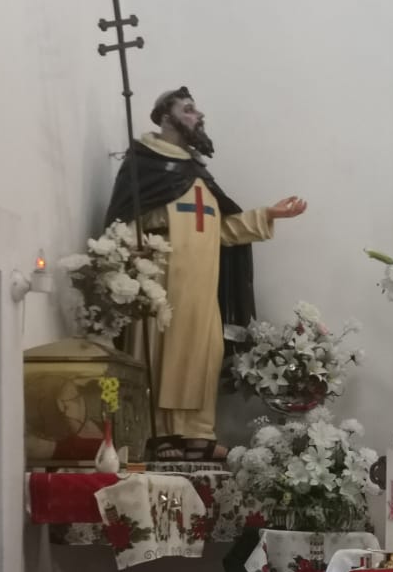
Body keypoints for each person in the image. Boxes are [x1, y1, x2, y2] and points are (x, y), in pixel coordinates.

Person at [104, 87, 307, 449]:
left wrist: (268, 215)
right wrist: (136, 261)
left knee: (204, 354)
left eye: (196, 110)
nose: (198, 116)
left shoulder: (197, 174)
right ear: (165, 117)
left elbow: (222, 230)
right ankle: (155, 433)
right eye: (188, 109)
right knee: (161, 355)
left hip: (202, 287)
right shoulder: (144, 166)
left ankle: (196, 431)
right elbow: (123, 224)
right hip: (162, 284)